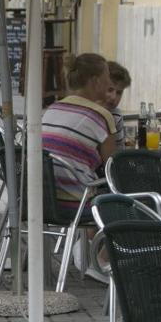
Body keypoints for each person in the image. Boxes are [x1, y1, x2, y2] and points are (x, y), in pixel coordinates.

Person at [41, 53, 116, 215]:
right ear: (95, 81)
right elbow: (114, 168)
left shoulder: (52, 109)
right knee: (140, 198)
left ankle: (87, 240)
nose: (110, 83)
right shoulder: (101, 116)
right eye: (107, 77)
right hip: (79, 204)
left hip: (44, 201)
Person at [105, 61, 132, 146]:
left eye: (119, 92)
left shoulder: (116, 116)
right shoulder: (87, 113)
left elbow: (118, 152)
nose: (114, 97)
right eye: (109, 90)